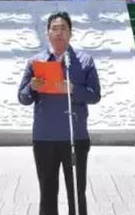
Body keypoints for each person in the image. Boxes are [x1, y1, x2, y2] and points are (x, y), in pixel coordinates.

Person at [18, 11, 101, 215]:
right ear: (47, 33)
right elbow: (23, 98)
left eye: (63, 28)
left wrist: (73, 89)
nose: (59, 33)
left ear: (70, 33)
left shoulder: (84, 61)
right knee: (47, 194)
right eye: (54, 28)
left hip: (75, 137)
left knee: (77, 193)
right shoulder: (36, 62)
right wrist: (32, 87)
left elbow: (95, 95)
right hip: (44, 138)